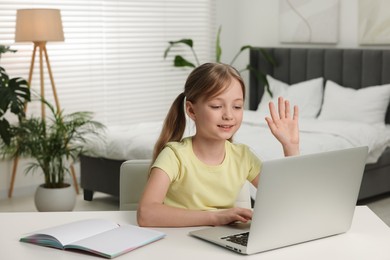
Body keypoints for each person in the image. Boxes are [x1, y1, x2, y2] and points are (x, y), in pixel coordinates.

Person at [137, 62, 299, 227]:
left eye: (237, 106)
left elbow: (286, 199)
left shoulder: (243, 156)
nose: (228, 115)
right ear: (192, 111)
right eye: (216, 106)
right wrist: (215, 217)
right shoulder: (174, 156)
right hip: (179, 243)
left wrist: (291, 147)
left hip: (222, 244)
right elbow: (146, 214)